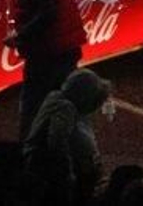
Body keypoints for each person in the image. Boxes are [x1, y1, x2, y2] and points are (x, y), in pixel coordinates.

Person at [8, 0, 86, 137]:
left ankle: (28, 153)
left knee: (33, 108)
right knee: (63, 106)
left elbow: (47, 13)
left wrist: (19, 35)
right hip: (65, 49)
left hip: (48, 54)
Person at [24, 68, 112, 204]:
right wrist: (68, 173)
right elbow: (57, 142)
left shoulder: (56, 98)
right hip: (55, 175)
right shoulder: (66, 108)